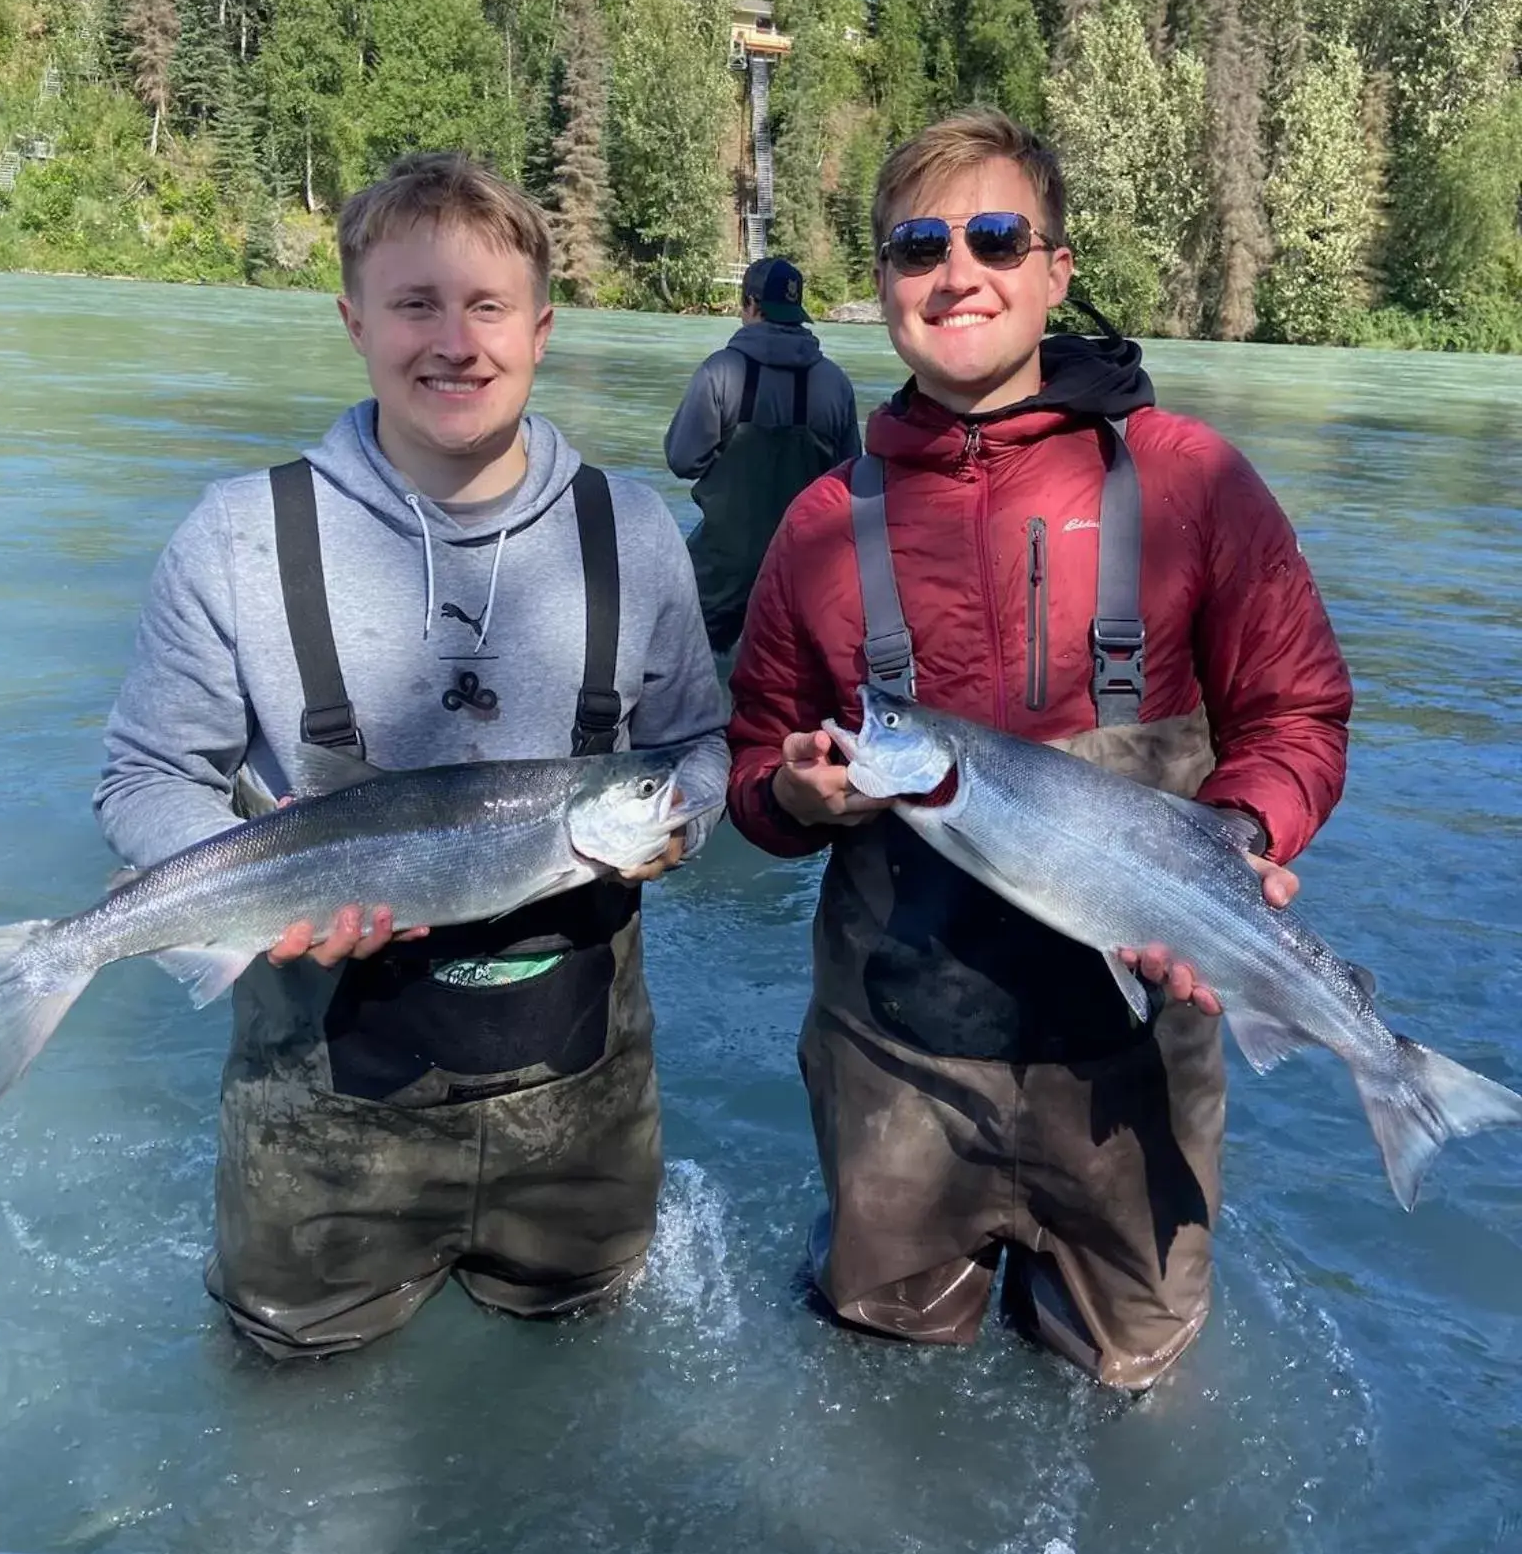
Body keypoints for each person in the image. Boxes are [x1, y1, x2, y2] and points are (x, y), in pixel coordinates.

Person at [726, 109, 1353, 1390]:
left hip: (1133, 1069)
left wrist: (1229, 842)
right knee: (877, 1395)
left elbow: (1298, 718)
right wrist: (793, 791)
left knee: (1136, 1398)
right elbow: (748, 773)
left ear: (1056, 268)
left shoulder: (1194, 482)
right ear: (885, 285)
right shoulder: (816, 527)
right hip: (893, 1070)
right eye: (917, 245)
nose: (958, 271)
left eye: (996, 235)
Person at [95, 151, 728, 1360]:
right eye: (415, 303)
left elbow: (697, 744)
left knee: (578, 1392)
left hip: (583, 1113)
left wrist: (679, 818)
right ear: (352, 321)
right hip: (317, 1133)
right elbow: (143, 779)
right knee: (296, 1424)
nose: (456, 341)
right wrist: (260, 892)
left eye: (488, 305)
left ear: (541, 328)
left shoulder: (633, 532)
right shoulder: (236, 534)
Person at [665, 256, 860, 651]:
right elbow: (852, 483)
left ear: (751, 305)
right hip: (802, 570)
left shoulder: (720, 371)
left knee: (692, 672)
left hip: (721, 571)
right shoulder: (834, 382)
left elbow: (683, 461)